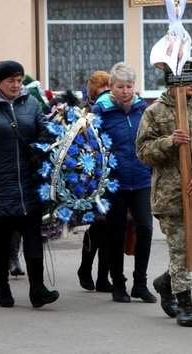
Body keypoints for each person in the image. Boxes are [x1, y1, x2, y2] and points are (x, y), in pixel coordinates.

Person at [0, 60, 59, 308]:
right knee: (1, 238)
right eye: (11, 81)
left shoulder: (31, 103)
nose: (16, 85)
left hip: (29, 182)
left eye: (19, 80)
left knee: (33, 237)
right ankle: (2, 287)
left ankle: (37, 290)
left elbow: (46, 133)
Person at [136, 75, 192, 327]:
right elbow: (143, 152)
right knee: (180, 249)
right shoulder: (154, 112)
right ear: (171, 81)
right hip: (169, 194)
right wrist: (169, 142)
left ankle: (165, 282)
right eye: (185, 79)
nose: (191, 84)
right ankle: (185, 304)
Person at [92, 63, 156, 303]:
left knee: (145, 230)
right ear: (111, 87)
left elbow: (151, 139)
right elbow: (92, 144)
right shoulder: (101, 110)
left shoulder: (143, 109)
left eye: (129, 86)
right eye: (120, 87)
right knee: (116, 233)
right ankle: (118, 283)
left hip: (141, 179)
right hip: (114, 182)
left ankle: (140, 283)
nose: (126, 91)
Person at [77, 70, 112, 292]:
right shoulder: (87, 112)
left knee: (112, 227)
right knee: (99, 224)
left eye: (109, 87)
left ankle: (103, 277)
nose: (107, 92)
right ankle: (85, 267)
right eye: (103, 89)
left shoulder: (113, 106)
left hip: (113, 173)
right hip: (94, 176)